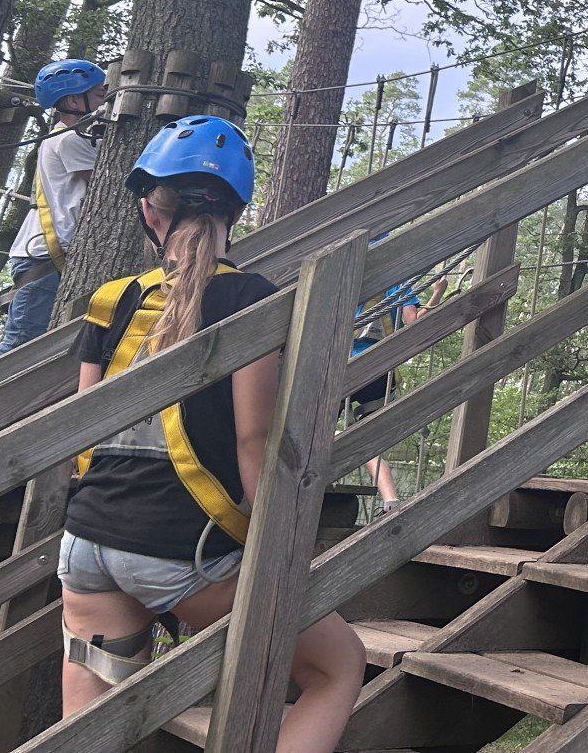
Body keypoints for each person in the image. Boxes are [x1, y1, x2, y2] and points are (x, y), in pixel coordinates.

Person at [58, 116, 363, 748]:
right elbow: (254, 440)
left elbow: (82, 429)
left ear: (149, 209)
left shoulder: (111, 299)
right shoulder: (251, 298)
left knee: (91, 729)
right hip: (182, 550)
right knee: (336, 668)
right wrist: (273, 546)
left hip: (88, 539)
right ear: (235, 212)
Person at [0, 59, 108, 356]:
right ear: (73, 101)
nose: (105, 101)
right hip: (43, 256)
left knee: (30, 344)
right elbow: (106, 184)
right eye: (99, 95)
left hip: (44, 256)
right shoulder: (69, 140)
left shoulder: (67, 136)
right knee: (20, 347)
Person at [349, 282, 424, 509]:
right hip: (380, 370)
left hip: (345, 366)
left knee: (316, 430)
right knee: (368, 441)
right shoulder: (399, 286)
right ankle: (390, 500)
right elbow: (414, 322)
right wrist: (438, 292)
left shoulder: (349, 282)